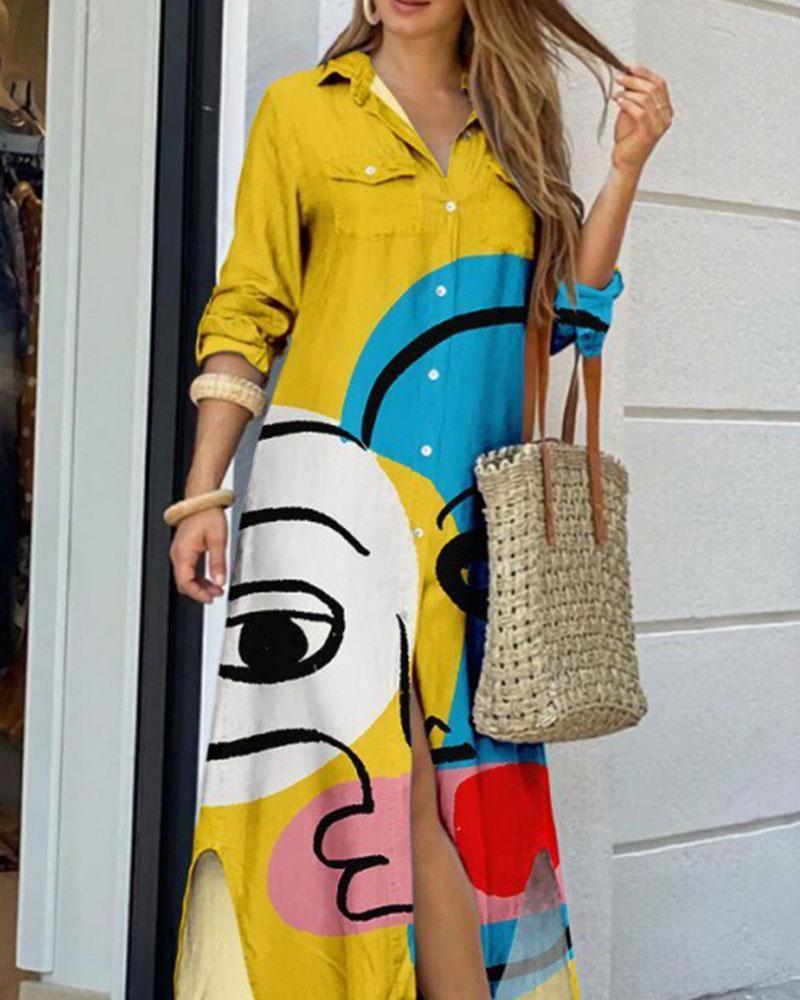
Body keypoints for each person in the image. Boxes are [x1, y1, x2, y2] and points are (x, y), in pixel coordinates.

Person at [167, 1, 673, 997]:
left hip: (466, 531)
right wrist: (203, 488)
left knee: (460, 801)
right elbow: (248, 306)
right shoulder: (301, 112)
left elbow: (568, 314)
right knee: (373, 794)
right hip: (331, 520)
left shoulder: (515, 128)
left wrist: (625, 167)